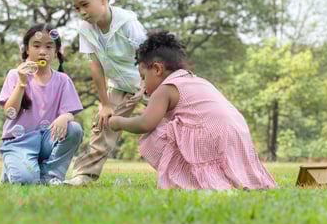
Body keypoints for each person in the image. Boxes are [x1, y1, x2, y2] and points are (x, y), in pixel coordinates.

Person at [106, 31, 277, 190]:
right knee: (169, 125)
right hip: (238, 132)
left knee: (152, 136)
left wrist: (118, 122)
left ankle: (189, 179)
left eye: (143, 78)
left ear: (157, 69)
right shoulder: (194, 79)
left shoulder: (165, 89)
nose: (142, 86)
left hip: (211, 134)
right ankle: (223, 178)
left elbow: (145, 123)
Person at [64, 0, 147, 186]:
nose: (81, 12)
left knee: (173, 123)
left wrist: (147, 87)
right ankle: (85, 175)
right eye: (77, 8)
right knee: (103, 125)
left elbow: (149, 56)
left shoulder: (128, 23)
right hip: (118, 86)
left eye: (85, 4)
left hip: (148, 83)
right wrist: (105, 103)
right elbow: (96, 67)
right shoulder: (86, 30)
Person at [0, 24, 84, 185]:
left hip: (46, 139)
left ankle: (50, 176)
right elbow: (10, 112)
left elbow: (70, 112)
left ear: (56, 52)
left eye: (49, 47)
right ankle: (13, 166)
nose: (42, 51)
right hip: (19, 141)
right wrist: (22, 83)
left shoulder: (63, 80)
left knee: (74, 129)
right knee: (26, 181)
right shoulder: (15, 75)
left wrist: (65, 116)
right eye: (36, 46)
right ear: (27, 50)